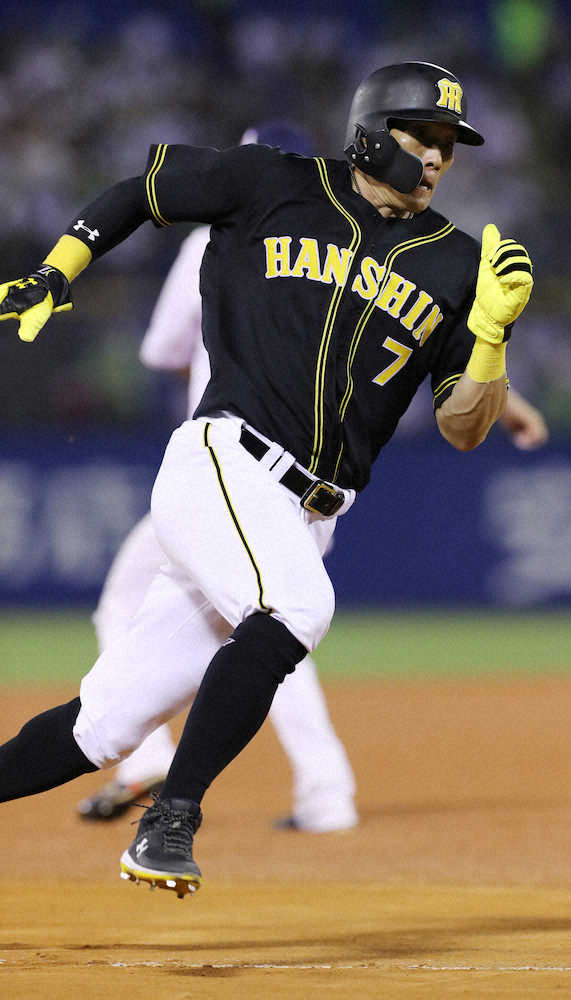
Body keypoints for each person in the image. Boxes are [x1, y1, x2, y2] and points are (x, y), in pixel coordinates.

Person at [0, 61, 534, 898]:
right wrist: (57, 270)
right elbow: (140, 192)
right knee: (298, 608)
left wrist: (492, 341)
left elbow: (463, 427)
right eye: (422, 134)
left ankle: (156, 806)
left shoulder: (457, 264)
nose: (437, 156)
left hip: (309, 516)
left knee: (103, 726)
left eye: (449, 144)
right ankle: (170, 820)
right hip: (226, 460)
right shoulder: (270, 182)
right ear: (370, 132)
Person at [76, 123, 358, 835]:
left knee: (164, 606)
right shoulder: (345, 250)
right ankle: (325, 789)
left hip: (227, 473)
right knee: (272, 626)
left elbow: (159, 350)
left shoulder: (215, 234)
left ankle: (148, 762)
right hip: (311, 478)